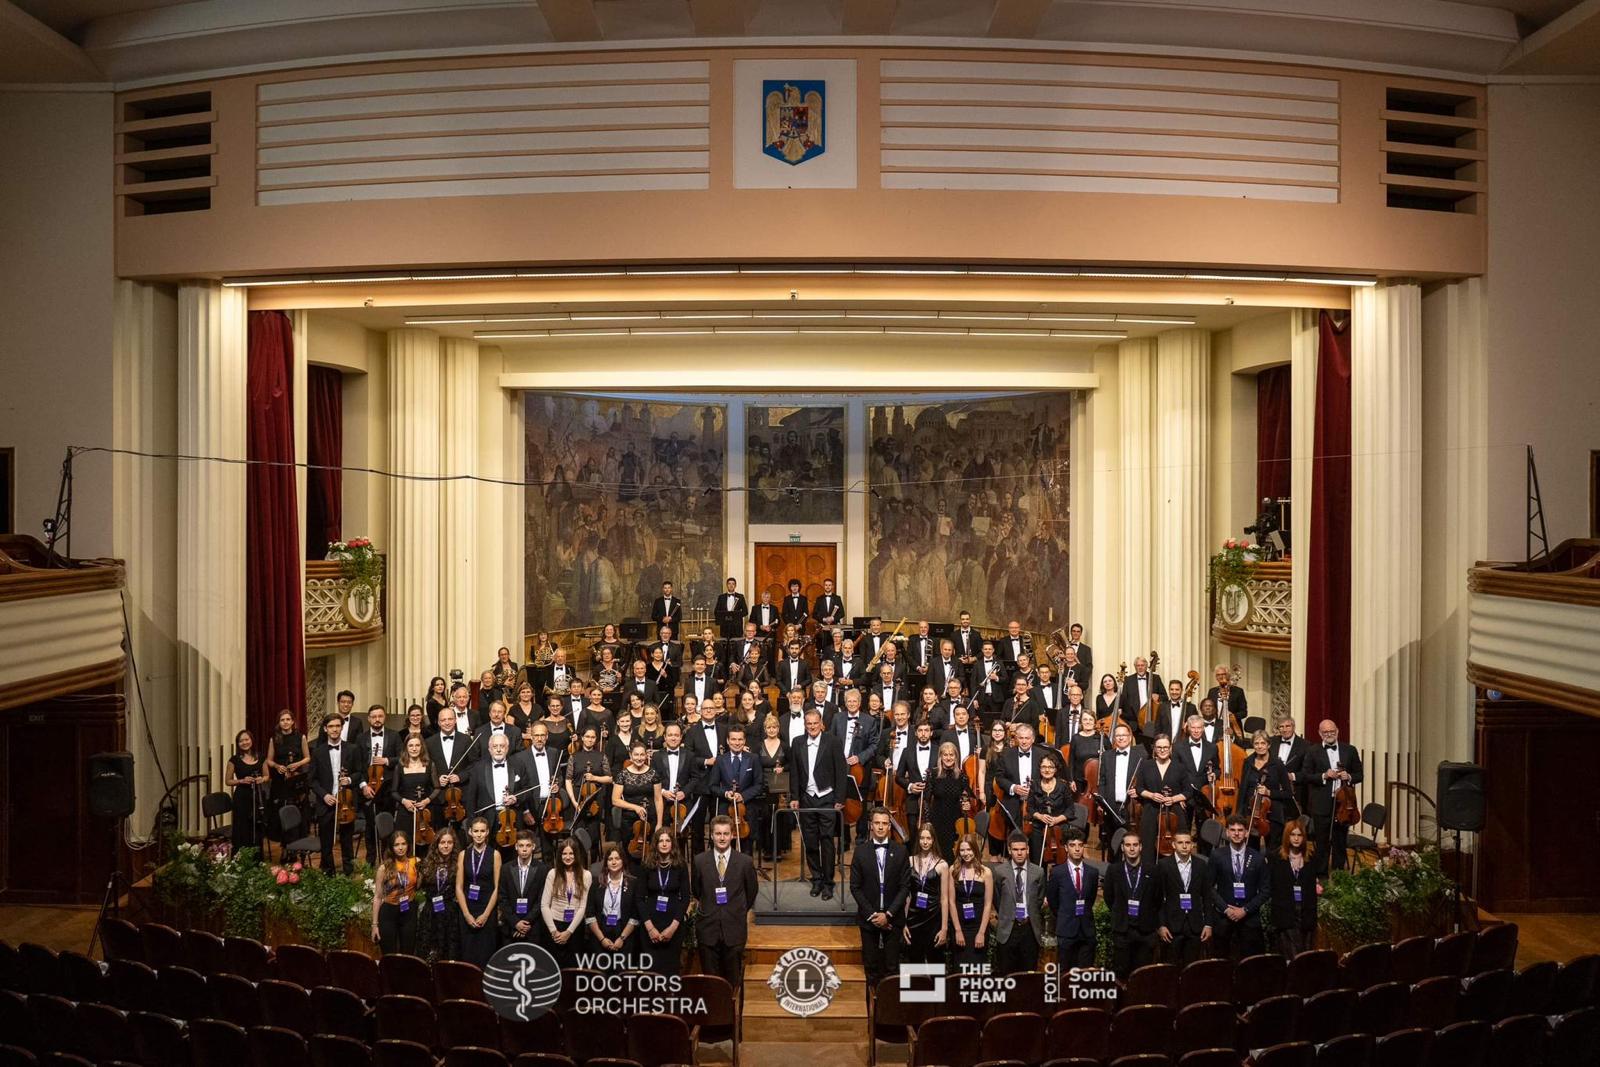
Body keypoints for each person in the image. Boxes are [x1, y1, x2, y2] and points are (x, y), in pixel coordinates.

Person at [692, 815, 759, 986]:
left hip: (734, 929)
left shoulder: (745, 862)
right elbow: (697, 891)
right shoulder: (699, 861)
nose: (722, 838)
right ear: (712, 835)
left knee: (732, 982)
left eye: (726, 834)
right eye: (718, 833)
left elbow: (751, 892)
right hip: (708, 929)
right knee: (711, 984)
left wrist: (737, 911)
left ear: (732, 835)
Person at [790, 709, 848, 899]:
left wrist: (839, 799)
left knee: (827, 841)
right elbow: (795, 772)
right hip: (807, 798)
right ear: (805, 725)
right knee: (810, 841)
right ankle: (816, 879)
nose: (812, 727)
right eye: (809, 724)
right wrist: (795, 796)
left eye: (815, 723)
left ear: (821, 723)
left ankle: (828, 883)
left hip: (827, 798)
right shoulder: (797, 742)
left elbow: (841, 771)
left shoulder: (832, 741)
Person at [850, 808, 909, 993]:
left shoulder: (901, 851)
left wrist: (889, 914)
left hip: (893, 919)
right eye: (877, 823)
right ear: (871, 825)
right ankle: (872, 1013)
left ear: (889, 826)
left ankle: (890, 1013)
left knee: (892, 968)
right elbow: (855, 887)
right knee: (871, 967)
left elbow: (905, 887)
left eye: (884, 823)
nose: (881, 827)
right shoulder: (860, 852)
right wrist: (873, 914)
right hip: (869, 919)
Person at [1303, 719, 1363, 877]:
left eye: (1332, 731)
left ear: (1337, 731)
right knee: (1322, 842)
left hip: (1344, 805)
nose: (1329, 734)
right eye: (1325, 732)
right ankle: (1321, 875)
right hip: (1321, 803)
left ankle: (1338, 875)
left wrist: (1348, 776)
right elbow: (1306, 775)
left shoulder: (1349, 750)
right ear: (1319, 733)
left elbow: (1359, 774)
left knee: (1340, 841)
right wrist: (1324, 775)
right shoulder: (1312, 751)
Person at [310, 713, 367, 873]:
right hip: (326, 802)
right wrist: (324, 795)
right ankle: (329, 873)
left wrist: (348, 780)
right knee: (326, 842)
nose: (335, 729)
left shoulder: (352, 748)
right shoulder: (318, 752)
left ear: (342, 728)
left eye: (337, 726)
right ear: (325, 729)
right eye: (331, 726)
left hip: (346, 802)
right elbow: (312, 780)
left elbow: (359, 772)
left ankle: (348, 872)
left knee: (347, 840)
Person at [1209, 814, 1269, 960]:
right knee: (1221, 963)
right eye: (1233, 830)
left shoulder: (1257, 858)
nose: (1236, 833)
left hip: (1249, 918)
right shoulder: (1217, 855)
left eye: (1240, 830)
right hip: (1224, 917)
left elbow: (1266, 890)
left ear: (1246, 832)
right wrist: (1225, 908)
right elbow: (1208, 887)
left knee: (1251, 964)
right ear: (1227, 832)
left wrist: (1245, 910)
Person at [1103, 831, 1160, 978]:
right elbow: (1109, 897)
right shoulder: (1114, 870)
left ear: (1141, 847)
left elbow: (1158, 899)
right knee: (1121, 974)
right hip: (1122, 931)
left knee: (1143, 976)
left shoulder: (1152, 870)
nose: (1132, 848)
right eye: (1128, 845)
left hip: (1145, 932)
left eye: (1135, 845)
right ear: (1122, 848)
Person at [1156, 828, 1213, 966]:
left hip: (1195, 925)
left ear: (1192, 845)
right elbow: (1158, 898)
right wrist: (1161, 925)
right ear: (1174, 845)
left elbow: (1207, 896)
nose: (1184, 845)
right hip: (1171, 926)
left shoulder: (1201, 865)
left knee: (1192, 969)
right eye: (1180, 842)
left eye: (1188, 842)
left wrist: (1208, 924)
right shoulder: (1163, 865)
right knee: (1170, 969)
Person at [990, 831, 1044, 975]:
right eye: (1015, 849)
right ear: (1009, 850)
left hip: (1029, 929)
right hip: (1008, 929)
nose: (1019, 853)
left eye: (1022, 849)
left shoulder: (1038, 872)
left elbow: (1038, 899)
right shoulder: (999, 872)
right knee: (1006, 975)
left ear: (1028, 850)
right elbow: (997, 898)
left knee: (1028, 976)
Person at [638, 828, 690, 974]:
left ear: (672, 844)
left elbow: (685, 898)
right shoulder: (646, 865)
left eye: (667, 840)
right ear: (655, 844)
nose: (664, 844)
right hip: (650, 924)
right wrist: (650, 929)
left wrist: (672, 929)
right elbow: (639, 899)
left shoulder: (681, 866)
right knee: (650, 973)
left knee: (670, 970)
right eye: (661, 841)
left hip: (673, 924)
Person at [1047, 828, 1099, 967]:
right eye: (1072, 845)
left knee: (1085, 976)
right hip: (1066, 929)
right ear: (1065, 847)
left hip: (1087, 930)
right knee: (1065, 976)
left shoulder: (1092, 873)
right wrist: (1065, 914)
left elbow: (1091, 898)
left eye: (1080, 845)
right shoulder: (1057, 872)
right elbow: (1053, 901)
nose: (1077, 849)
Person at [1134, 734, 1191, 856]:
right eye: (1159, 747)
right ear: (1154, 748)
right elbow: (1139, 788)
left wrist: (1174, 798)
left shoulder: (1180, 767)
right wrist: (1151, 795)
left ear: (1170, 748)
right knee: (1148, 848)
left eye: (1165, 747)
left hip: (1174, 813)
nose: (1162, 750)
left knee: (1175, 849)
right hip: (1151, 811)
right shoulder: (1146, 765)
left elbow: (1188, 791)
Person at [456, 816, 502, 966]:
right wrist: (466, 914)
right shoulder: (463, 855)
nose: (479, 834)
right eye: (476, 831)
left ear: (487, 832)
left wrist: (486, 914)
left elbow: (497, 888)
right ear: (470, 832)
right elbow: (459, 887)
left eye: (482, 831)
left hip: (487, 908)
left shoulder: (495, 855)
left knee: (486, 955)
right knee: (468, 955)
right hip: (468, 908)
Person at [1270, 817, 1318, 958]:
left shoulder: (1310, 858)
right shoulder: (1276, 858)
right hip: (1286, 914)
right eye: (1293, 835)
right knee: (1292, 955)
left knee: (1306, 955)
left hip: (1305, 913)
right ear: (1287, 837)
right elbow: (1273, 886)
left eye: (1299, 835)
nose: (1296, 838)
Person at [542, 836, 591, 969]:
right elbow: (544, 905)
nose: (568, 857)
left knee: (573, 967)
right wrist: (554, 931)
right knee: (554, 967)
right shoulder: (553, 873)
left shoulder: (586, 875)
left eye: (571, 853)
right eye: (564, 853)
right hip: (555, 925)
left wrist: (569, 932)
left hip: (574, 927)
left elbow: (582, 907)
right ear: (560, 855)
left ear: (576, 855)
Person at [902, 823, 948, 965]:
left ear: (933, 840)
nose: (925, 842)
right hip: (914, 917)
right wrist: (904, 923)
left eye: (928, 838)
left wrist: (944, 928)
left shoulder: (942, 865)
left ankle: (937, 988)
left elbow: (944, 899)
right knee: (914, 963)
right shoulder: (910, 861)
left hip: (933, 918)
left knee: (936, 962)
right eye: (922, 838)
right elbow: (907, 895)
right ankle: (916, 988)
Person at [1240, 730, 1293, 853]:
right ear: (1253, 745)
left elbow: (1288, 793)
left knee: (1272, 852)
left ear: (1268, 745)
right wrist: (1241, 814)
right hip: (1252, 815)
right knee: (1251, 851)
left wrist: (1270, 793)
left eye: (1263, 743)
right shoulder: (1248, 762)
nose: (1259, 746)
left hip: (1272, 815)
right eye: (1256, 743)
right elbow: (1243, 790)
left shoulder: (1278, 764)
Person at [923, 741, 976, 859]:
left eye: (951, 755)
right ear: (940, 757)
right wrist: (927, 822)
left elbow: (970, 798)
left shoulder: (962, 776)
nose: (948, 758)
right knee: (938, 854)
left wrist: (967, 804)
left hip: (955, 821)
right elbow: (926, 800)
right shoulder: (933, 774)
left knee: (953, 855)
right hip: (937, 819)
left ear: (956, 757)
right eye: (945, 755)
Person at [613, 740, 663, 866]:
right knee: (629, 856)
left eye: (642, 755)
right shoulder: (623, 775)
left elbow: (658, 799)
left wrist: (659, 823)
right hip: (629, 821)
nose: (639, 758)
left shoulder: (653, 774)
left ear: (646, 755)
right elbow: (615, 800)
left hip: (649, 820)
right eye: (636, 755)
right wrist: (635, 807)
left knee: (650, 856)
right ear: (630, 755)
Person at [415, 825, 461, 962]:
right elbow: (417, 886)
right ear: (436, 844)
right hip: (430, 913)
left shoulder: (459, 863)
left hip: (450, 913)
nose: (446, 846)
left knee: (448, 952)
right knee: (428, 951)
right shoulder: (427, 863)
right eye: (442, 842)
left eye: (449, 842)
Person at [587, 843, 640, 958]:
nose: (614, 862)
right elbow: (590, 914)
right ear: (606, 862)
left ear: (623, 861)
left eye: (617, 858)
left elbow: (635, 915)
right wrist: (602, 939)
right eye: (610, 859)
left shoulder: (633, 883)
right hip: (601, 932)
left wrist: (621, 938)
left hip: (624, 932)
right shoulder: (597, 883)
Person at [948, 833, 992, 970]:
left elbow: (988, 904)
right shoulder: (953, 870)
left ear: (975, 850)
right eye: (962, 850)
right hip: (959, 926)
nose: (966, 853)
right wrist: (958, 930)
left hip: (979, 927)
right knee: (959, 971)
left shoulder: (986, 872)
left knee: (978, 972)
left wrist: (981, 933)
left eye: (969, 849)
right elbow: (951, 902)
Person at [371, 830, 419, 955]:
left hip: (408, 911)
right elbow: (377, 897)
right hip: (388, 912)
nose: (400, 848)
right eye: (396, 845)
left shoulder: (416, 863)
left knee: (408, 953)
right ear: (391, 848)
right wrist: (374, 925)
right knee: (389, 955)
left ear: (408, 845)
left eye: (403, 844)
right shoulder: (384, 868)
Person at [566, 725, 613, 851]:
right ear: (582, 738)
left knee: (593, 833)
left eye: (593, 737)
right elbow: (568, 780)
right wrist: (573, 801)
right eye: (587, 736)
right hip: (577, 797)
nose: (590, 739)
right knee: (578, 834)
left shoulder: (601, 756)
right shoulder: (574, 756)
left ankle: (593, 861)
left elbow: (609, 778)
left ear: (596, 739)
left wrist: (594, 778)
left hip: (595, 797)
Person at [496, 830, 547, 946]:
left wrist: (526, 922)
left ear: (533, 847)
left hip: (532, 928)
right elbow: (502, 898)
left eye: (528, 846)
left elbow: (541, 900)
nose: (524, 849)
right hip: (510, 927)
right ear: (516, 847)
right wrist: (516, 922)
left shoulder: (542, 869)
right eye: (521, 846)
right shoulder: (506, 869)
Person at [266, 708, 310, 839]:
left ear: (292, 722)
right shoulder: (274, 739)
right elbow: (269, 760)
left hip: (296, 779)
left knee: (297, 808)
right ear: (279, 723)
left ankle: (297, 840)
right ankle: (284, 844)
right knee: (281, 809)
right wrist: (277, 766)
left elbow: (308, 757)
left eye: (288, 719)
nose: (285, 722)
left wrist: (297, 764)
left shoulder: (300, 737)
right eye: (282, 720)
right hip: (280, 779)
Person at [389, 734, 437, 849]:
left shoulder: (430, 765)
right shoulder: (400, 766)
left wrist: (427, 800)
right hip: (405, 812)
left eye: (417, 745)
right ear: (406, 748)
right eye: (411, 746)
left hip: (424, 813)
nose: (414, 748)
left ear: (422, 747)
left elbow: (437, 788)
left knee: (425, 846)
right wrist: (404, 801)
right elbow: (393, 791)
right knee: (405, 845)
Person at [754, 713, 790, 863]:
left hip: (779, 786)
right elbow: (755, 765)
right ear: (765, 729)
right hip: (763, 785)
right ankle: (767, 849)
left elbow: (790, 764)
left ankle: (778, 849)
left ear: (778, 728)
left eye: (774, 727)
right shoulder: (758, 745)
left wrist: (783, 768)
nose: (772, 730)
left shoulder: (785, 745)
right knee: (765, 818)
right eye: (769, 727)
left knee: (779, 817)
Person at [225, 729, 268, 856]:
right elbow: (228, 781)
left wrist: (261, 779)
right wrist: (242, 780)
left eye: (246, 739)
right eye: (241, 741)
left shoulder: (260, 757)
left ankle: (256, 859)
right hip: (241, 798)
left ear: (251, 740)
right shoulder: (234, 760)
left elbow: (267, 776)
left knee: (256, 827)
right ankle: (240, 859)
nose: (244, 742)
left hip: (257, 797)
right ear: (238, 744)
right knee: (242, 828)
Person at [1028, 752, 1072, 869]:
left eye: (1051, 767)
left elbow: (1070, 809)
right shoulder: (1035, 785)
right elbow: (1030, 808)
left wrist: (1057, 819)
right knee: (1037, 863)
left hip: (1059, 828)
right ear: (1040, 768)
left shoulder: (1063, 786)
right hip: (1039, 828)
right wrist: (1040, 816)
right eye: (1044, 767)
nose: (1047, 770)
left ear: (1056, 769)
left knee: (1060, 864)